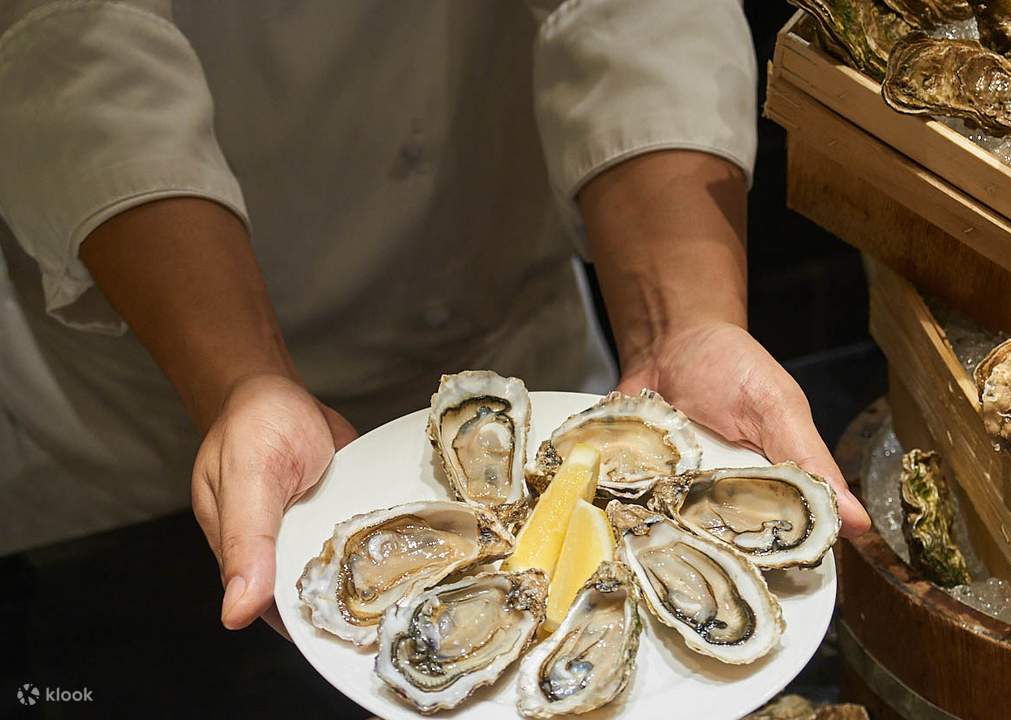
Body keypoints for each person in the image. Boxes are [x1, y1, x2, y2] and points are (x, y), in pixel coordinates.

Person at [0, 0, 870, 632]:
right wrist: (241, 380)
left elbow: (637, 14)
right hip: (147, 410)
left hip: (516, 348)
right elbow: (78, 41)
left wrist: (681, 327)